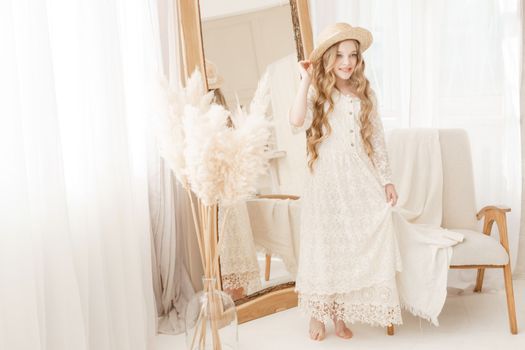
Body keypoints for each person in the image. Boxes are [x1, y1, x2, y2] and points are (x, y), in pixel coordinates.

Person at [290, 22, 402, 341]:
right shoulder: (316, 92)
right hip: (325, 179)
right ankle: (317, 314)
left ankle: (340, 314)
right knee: (324, 244)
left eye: (352, 55)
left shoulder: (364, 92)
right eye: (339, 54)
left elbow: (376, 139)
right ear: (327, 58)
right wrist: (305, 80)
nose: (347, 61)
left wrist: (386, 180)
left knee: (350, 244)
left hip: (357, 177)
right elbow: (296, 121)